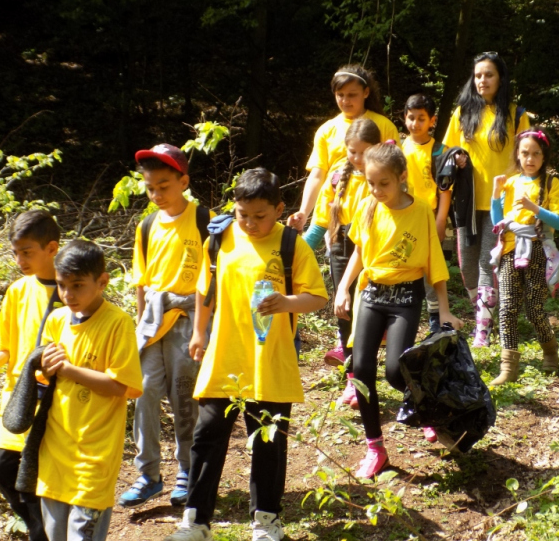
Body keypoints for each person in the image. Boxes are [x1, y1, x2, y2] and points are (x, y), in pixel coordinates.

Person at [165, 168, 328, 541]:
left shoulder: (292, 245)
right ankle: (196, 519)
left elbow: (317, 297)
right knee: (208, 434)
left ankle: (266, 520)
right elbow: (206, 291)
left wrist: (287, 302)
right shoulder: (219, 239)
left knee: (268, 439)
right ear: (233, 208)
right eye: (243, 215)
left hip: (270, 359)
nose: (251, 224)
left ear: (279, 208)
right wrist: (199, 332)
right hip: (224, 355)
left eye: (261, 216)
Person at [334, 143, 464, 478]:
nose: (376, 190)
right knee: (361, 371)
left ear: (401, 177)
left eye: (384, 184)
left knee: (396, 371)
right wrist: (343, 287)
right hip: (371, 293)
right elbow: (360, 252)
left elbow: (434, 259)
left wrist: (444, 310)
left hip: (406, 296)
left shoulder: (420, 210)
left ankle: (427, 409)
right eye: (371, 183)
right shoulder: (367, 207)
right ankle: (375, 448)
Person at [119, 144, 215, 508]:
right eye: (150, 188)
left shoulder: (205, 220)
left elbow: (215, 281)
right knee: (143, 393)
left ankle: (187, 471)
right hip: (153, 325)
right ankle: (148, 475)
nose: (157, 194)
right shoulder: (146, 227)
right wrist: (142, 326)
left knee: (183, 398)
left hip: (188, 323)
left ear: (183, 181)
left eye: (164, 185)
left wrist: (201, 332)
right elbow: (143, 284)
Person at [37, 240, 143, 541]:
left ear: (102, 282)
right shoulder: (56, 320)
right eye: (62, 285)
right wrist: (46, 367)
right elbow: (44, 377)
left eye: (77, 285)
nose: (68, 295)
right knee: (55, 534)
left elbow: (123, 386)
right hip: (56, 450)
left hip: (94, 454)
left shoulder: (118, 324)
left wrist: (69, 370)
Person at [0, 210, 60, 541]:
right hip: (17, 397)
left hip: (53, 402)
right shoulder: (17, 291)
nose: (19, 259)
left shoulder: (73, 291)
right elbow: (7, 347)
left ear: (51, 248)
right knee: (0, 467)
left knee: (36, 478)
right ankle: (40, 530)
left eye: (27, 252)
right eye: (15, 252)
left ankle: (48, 533)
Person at [443, 52, 530, 347]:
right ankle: (486, 311)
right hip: (467, 202)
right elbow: (444, 153)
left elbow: (529, 157)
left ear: (501, 79)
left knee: (485, 264)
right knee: (466, 266)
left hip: (501, 204)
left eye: (489, 74)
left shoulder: (517, 115)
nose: (482, 80)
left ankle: (483, 328)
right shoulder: (462, 113)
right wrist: (454, 157)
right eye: (478, 75)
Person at [302, 119, 381, 405]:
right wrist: (298, 249)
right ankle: (353, 381)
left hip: (371, 251)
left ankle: (366, 374)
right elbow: (321, 222)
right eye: (352, 152)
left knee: (367, 316)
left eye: (364, 151)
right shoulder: (336, 177)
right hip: (340, 247)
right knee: (344, 312)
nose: (358, 159)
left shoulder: (383, 178)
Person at [488, 129, 559, 385]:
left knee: (534, 309)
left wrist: (535, 208)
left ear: (544, 157)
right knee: (507, 307)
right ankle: (508, 367)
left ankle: (550, 350)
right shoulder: (510, 182)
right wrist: (495, 194)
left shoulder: (551, 184)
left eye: (536, 153)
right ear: (517, 155)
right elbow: (496, 221)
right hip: (510, 250)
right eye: (525, 153)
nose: (530, 158)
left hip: (537, 250)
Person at [288, 64, 398, 233]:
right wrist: (304, 212)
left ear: (366, 93)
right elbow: (317, 175)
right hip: (332, 215)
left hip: (373, 219)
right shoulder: (326, 130)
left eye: (352, 95)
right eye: (340, 95)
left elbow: (396, 175)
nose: (345, 101)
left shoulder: (384, 126)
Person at [402, 93, 453, 334]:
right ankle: (405, 313)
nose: (415, 123)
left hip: (431, 215)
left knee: (432, 268)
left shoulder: (440, 151)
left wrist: (441, 220)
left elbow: (445, 190)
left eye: (421, 118)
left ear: (432, 121)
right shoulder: (398, 148)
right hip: (404, 216)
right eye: (411, 117)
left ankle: (435, 317)